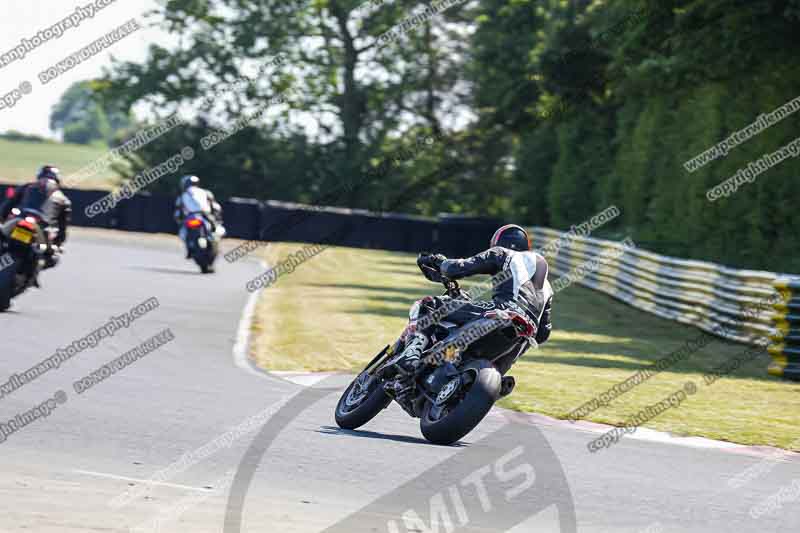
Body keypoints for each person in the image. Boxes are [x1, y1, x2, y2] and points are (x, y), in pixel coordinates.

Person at [387, 224, 554, 404]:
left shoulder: (503, 253)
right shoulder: (548, 287)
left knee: (428, 305)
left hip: (502, 312)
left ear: (501, 242)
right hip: (521, 337)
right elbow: (543, 333)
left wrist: (439, 262)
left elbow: (457, 268)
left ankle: (412, 353)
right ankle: (466, 377)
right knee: (466, 350)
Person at [0, 165, 72, 270]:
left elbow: (7, 206)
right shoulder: (63, 199)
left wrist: (3, 218)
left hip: (25, 222)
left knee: (52, 256)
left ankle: (30, 270)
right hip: (37, 226)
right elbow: (63, 226)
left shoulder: (28, 186)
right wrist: (58, 243)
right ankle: (31, 272)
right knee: (52, 256)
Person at [173, 175, 225, 258]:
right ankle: (215, 245)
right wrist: (217, 217)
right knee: (216, 228)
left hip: (192, 216)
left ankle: (190, 248)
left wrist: (179, 220)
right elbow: (216, 207)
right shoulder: (206, 192)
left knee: (183, 231)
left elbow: (178, 212)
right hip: (205, 215)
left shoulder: (183, 195)